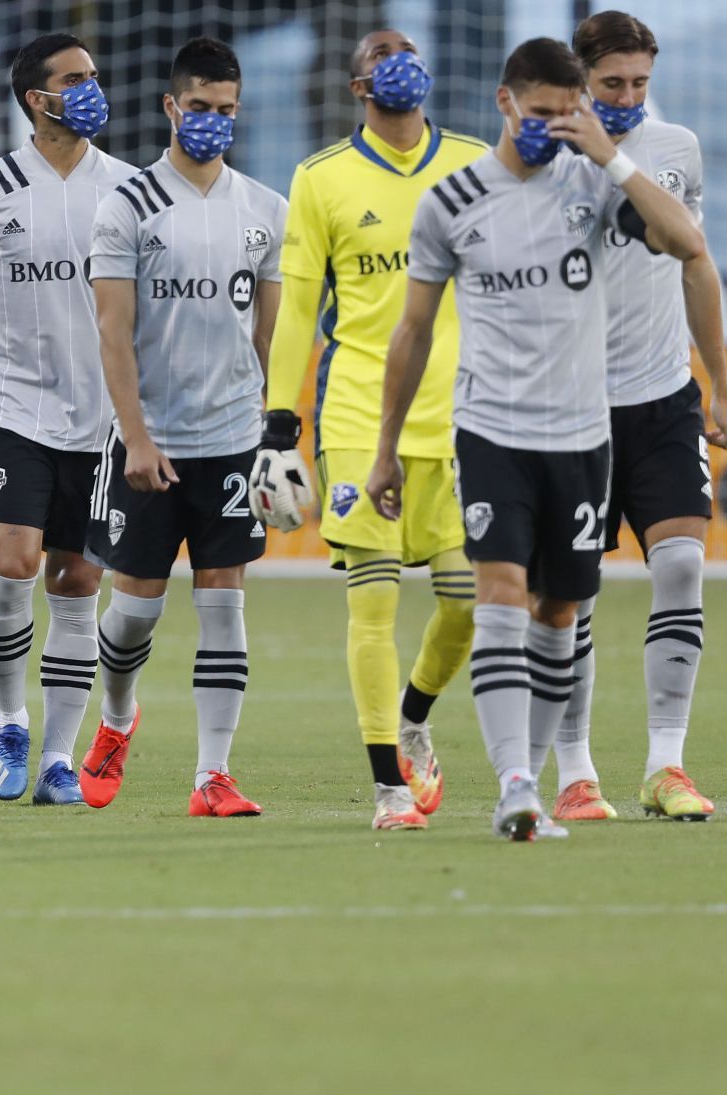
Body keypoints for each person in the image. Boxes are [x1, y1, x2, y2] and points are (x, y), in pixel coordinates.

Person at [368, 36, 705, 841]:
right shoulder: (451, 201)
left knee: (562, 611)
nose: (549, 125)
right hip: (492, 432)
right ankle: (518, 784)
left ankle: (552, 768)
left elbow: (686, 243)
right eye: (539, 111)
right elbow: (411, 331)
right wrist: (385, 448)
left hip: (584, 438)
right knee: (502, 598)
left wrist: (615, 162)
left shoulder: (593, 187)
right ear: (505, 103)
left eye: (566, 114)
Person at [263, 30, 490, 831]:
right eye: (382, 52)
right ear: (360, 85)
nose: (399, 59)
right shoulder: (322, 178)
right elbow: (296, 307)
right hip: (359, 411)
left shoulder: (474, 163)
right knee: (375, 600)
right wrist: (278, 421)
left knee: (466, 601)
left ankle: (415, 715)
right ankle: (389, 786)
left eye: (408, 48)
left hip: (464, 417)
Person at [0, 33, 137, 806]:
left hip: (104, 421)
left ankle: (57, 758)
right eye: (75, 80)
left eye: (95, 78)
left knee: (78, 581)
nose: (91, 90)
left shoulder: (133, 189)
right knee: (12, 564)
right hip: (15, 411)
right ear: (36, 100)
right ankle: (10, 720)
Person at [78, 37, 287, 818]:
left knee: (224, 599)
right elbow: (111, 330)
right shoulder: (126, 206)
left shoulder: (267, 211)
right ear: (171, 106)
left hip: (231, 439)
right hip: (151, 440)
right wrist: (134, 435)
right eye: (198, 108)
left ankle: (213, 775)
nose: (212, 122)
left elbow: (270, 340)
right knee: (133, 611)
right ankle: (116, 721)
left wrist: (272, 437)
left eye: (225, 111)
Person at [545, 10, 727, 823]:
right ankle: (575, 771)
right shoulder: (538, 160)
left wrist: (721, 385)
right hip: (570, 408)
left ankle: (667, 765)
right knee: (570, 595)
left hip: (662, 398)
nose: (627, 96)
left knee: (684, 566)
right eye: (611, 83)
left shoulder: (675, 150)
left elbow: (694, 260)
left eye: (639, 84)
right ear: (579, 80)